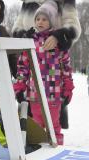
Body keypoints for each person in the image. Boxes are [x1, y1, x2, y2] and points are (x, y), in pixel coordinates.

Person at [14, 0, 74, 145]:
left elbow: (66, 70)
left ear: (51, 22)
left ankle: (56, 148)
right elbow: (22, 68)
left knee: (54, 126)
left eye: (44, 19)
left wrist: (68, 90)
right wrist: (19, 88)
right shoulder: (29, 43)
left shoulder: (58, 44)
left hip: (54, 95)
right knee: (36, 126)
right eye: (37, 19)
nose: (40, 22)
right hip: (34, 95)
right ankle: (38, 149)